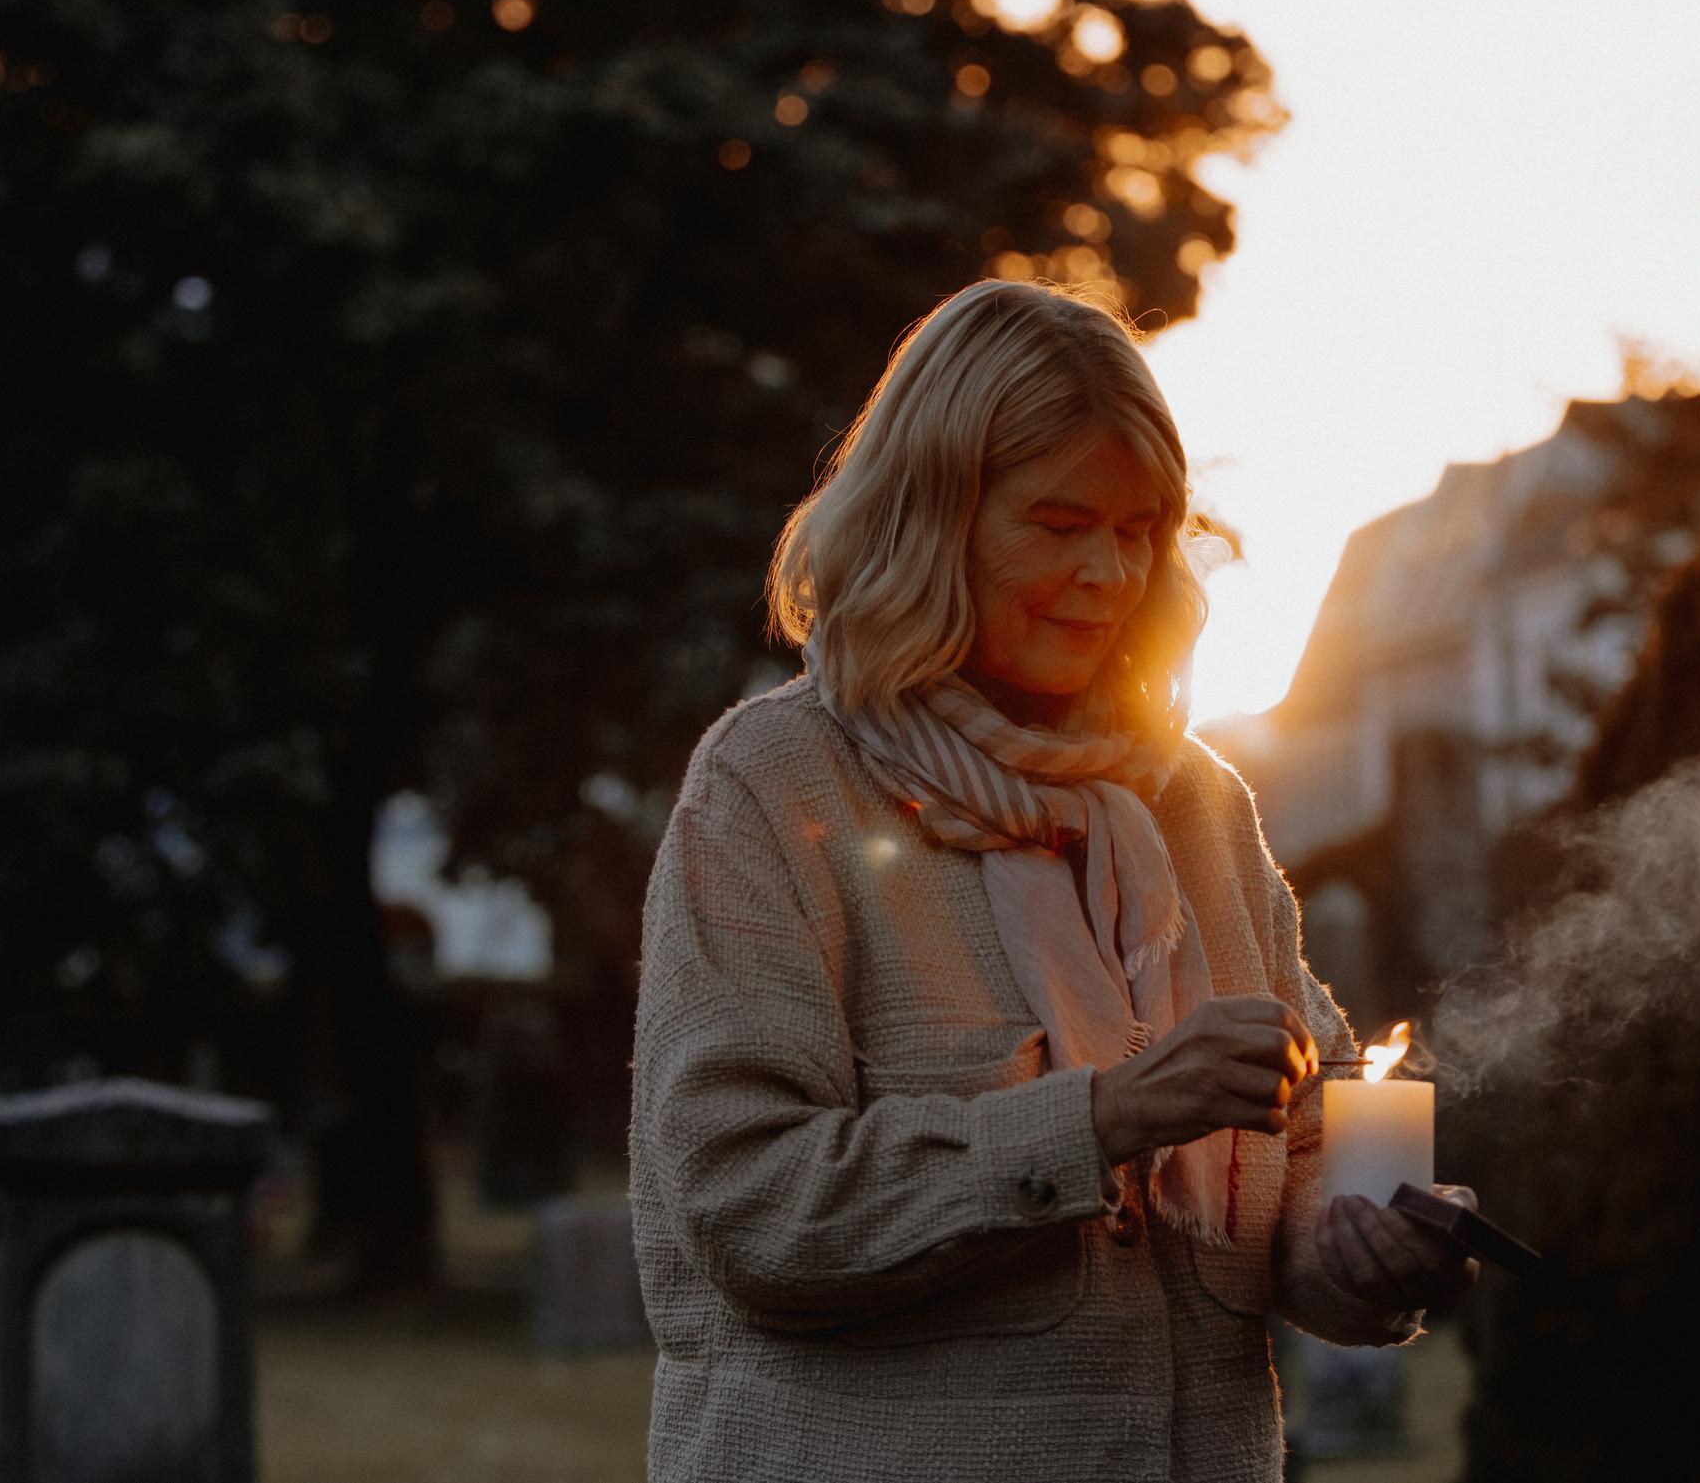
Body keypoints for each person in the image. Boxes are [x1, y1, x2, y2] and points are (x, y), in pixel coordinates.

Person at [628, 278, 1480, 1483]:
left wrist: (1358, 1246)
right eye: (1062, 520)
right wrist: (1109, 1114)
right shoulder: (775, 785)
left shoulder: (1193, 804)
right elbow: (752, 1207)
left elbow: (1302, 1141)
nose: (1111, 572)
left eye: (1141, 528)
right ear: (933, 516)